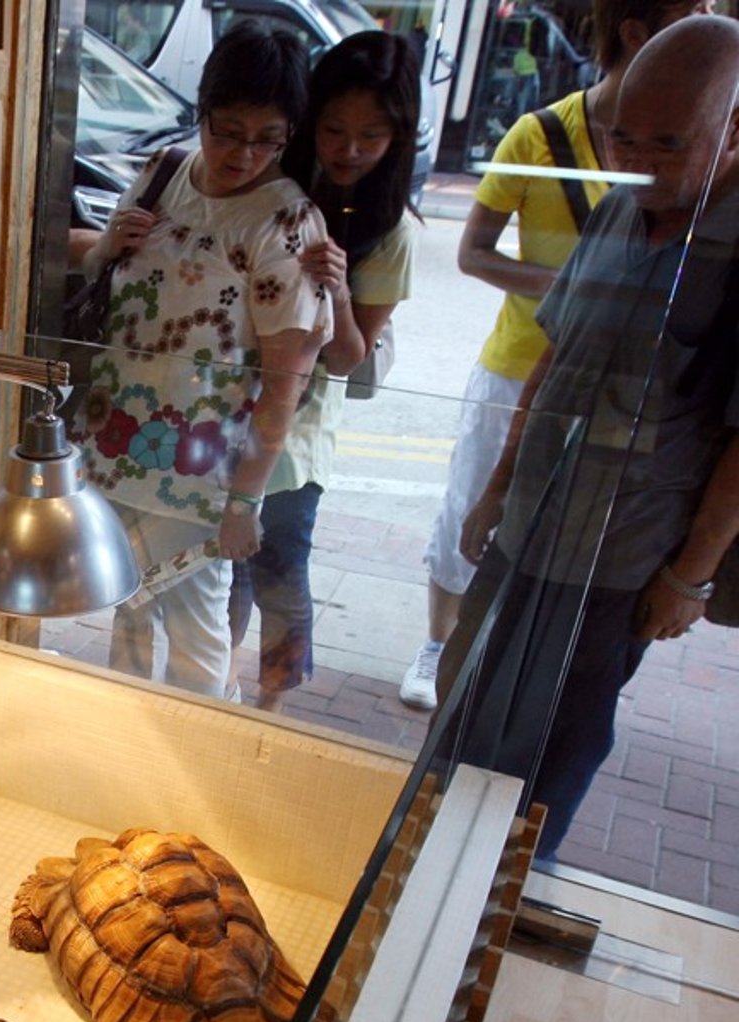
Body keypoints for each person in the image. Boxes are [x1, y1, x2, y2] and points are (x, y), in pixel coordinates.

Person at [435, 13, 739, 861]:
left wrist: (692, 576)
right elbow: (556, 355)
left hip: (627, 549)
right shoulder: (619, 209)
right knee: (467, 691)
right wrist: (497, 484)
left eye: (669, 143)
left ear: (736, 127)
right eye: (622, 139)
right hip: (533, 513)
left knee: (560, 732)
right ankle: (429, 858)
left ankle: (510, 885)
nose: (636, 162)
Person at [399, 0, 708, 712]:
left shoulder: (694, 152)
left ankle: (507, 670)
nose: (704, 19)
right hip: (521, 365)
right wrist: (583, 293)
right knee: (471, 513)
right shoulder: (539, 134)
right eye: (689, 10)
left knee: (567, 538)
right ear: (638, 31)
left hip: (624, 392)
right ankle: (439, 645)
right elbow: (474, 251)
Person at [70, 20, 332, 698]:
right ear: (203, 109)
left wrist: (246, 499)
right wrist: (106, 249)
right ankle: (123, 756)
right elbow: (110, 283)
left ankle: (195, 765)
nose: (244, 154)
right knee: (127, 613)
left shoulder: (286, 223)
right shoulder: (163, 173)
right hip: (114, 442)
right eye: (228, 129)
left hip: (202, 470)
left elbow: (286, 382)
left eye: (268, 138)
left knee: (197, 639)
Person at [228, 30, 421, 712]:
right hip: (225, 411)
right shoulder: (275, 187)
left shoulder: (391, 231)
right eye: (335, 128)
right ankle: (214, 689)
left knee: (279, 569)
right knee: (226, 571)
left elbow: (349, 358)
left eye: (372, 135)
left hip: (296, 435)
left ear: (400, 136)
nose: (349, 149)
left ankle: (270, 707)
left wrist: (337, 289)